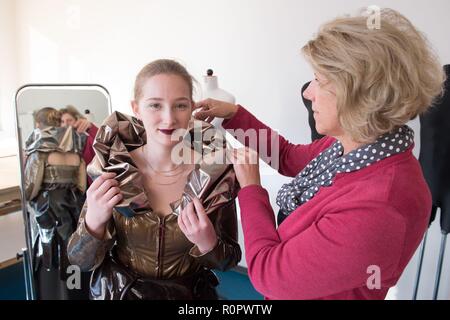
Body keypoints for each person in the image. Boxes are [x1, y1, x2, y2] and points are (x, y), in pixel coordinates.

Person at [192, 8, 446, 299]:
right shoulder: (358, 144)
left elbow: (268, 275)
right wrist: (234, 116)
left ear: (359, 94)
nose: (307, 92)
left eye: (319, 80)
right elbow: (288, 157)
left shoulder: (380, 207)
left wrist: (251, 190)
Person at [67, 59, 241, 300]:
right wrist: (93, 225)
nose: (169, 119)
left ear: (191, 108)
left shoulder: (217, 175)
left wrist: (208, 244)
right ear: (136, 108)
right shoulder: (112, 170)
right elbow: (80, 262)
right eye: (155, 106)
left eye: (180, 105)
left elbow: (229, 259)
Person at [24, 107, 89, 300]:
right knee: (75, 258)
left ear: (38, 124)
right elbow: (81, 185)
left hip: (48, 216)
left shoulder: (39, 151)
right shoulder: (75, 149)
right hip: (73, 211)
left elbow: (30, 190)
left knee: (51, 263)